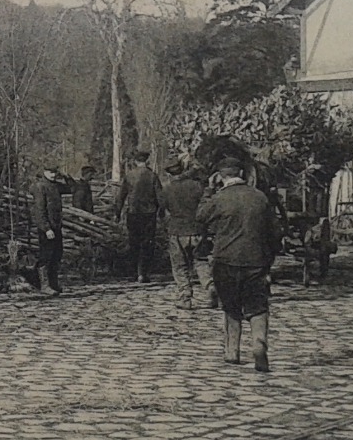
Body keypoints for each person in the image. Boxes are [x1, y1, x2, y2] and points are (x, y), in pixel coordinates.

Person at [196, 158, 281, 371]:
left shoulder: (219, 198)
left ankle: (232, 351)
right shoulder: (260, 198)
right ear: (242, 173)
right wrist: (268, 259)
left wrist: (208, 190)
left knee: (231, 306)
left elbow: (201, 216)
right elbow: (275, 232)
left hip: (226, 260)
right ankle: (259, 345)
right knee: (258, 306)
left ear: (220, 176)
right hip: (255, 261)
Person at [162, 160, 213, 309]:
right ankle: (209, 285)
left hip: (177, 231)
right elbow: (206, 208)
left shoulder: (167, 189)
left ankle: (185, 298)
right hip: (196, 230)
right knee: (201, 261)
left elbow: (163, 210)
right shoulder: (197, 186)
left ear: (169, 173)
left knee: (179, 266)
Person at [117, 149, 165, 283]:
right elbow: (160, 196)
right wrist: (161, 212)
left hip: (133, 213)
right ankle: (143, 273)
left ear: (135, 161)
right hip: (149, 214)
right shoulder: (152, 176)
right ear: (146, 161)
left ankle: (133, 272)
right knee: (147, 243)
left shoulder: (129, 176)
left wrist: (117, 212)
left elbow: (121, 196)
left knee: (134, 242)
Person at [30, 165, 66, 296]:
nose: (53, 175)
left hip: (56, 225)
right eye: (51, 172)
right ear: (44, 171)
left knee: (57, 255)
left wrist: (65, 176)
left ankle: (53, 283)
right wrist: (46, 228)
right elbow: (39, 210)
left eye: (55, 172)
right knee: (46, 256)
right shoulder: (40, 186)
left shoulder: (55, 186)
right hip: (47, 228)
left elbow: (73, 188)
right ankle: (44, 285)